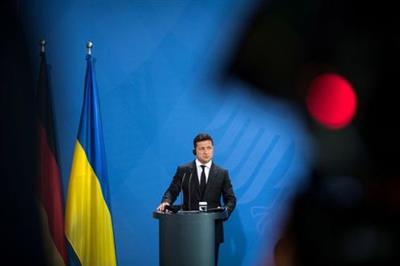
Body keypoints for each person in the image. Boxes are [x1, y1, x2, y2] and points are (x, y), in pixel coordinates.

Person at [157, 133, 236, 265]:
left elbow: (231, 199)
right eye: (202, 148)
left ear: (213, 149)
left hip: (212, 229)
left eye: (209, 148)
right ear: (195, 151)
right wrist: (166, 202)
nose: (206, 152)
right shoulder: (184, 170)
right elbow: (172, 191)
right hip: (187, 228)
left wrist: (224, 212)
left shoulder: (222, 173)